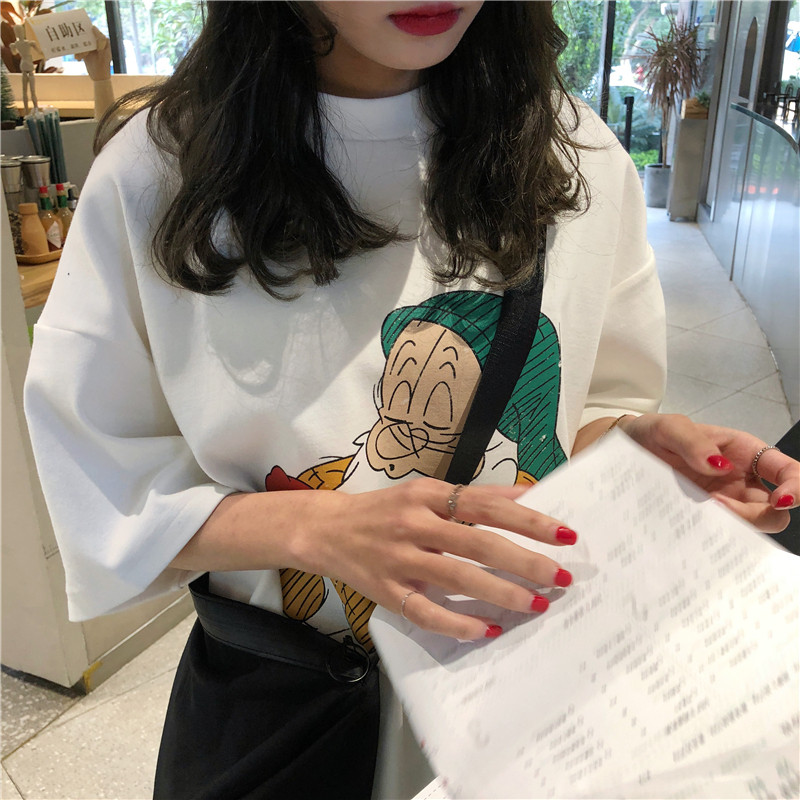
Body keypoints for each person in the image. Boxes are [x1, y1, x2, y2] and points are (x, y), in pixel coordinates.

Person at [23, 2, 799, 799]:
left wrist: (639, 464)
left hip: (523, 691)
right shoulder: (160, 175)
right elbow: (103, 487)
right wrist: (315, 528)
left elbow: (582, 411)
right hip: (287, 704)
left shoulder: (576, 155)